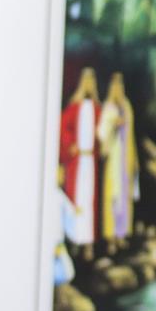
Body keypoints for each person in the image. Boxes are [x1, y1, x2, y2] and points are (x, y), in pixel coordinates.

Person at [58, 67, 101, 255]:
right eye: (87, 81)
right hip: (78, 161)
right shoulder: (75, 107)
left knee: (90, 200)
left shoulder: (97, 108)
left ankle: (88, 243)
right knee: (76, 199)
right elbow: (63, 127)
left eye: (92, 81)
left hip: (90, 161)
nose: (89, 84)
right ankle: (75, 239)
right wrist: (70, 144)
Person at [97, 72, 138, 250]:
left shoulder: (127, 106)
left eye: (120, 86)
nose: (117, 89)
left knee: (123, 196)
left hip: (125, 156)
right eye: (115, 86)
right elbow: (101, 132)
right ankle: (111, 237)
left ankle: (122, 234)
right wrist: (114, 123)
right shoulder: (108, 107)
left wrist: (134, 157)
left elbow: (131, 134)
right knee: (113, 195)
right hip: (113, 155)